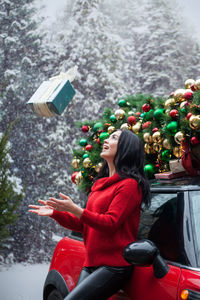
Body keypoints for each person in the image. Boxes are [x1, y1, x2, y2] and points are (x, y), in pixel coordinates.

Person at [29, 129, 150, 300]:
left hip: (114, 266)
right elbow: (84, 224)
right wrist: (56, 213)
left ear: (126, 148)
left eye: (114, 138)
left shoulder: (129, 185)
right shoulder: (100, 185)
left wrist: (75, 209)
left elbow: (110, 222)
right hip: (92, 263)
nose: (106, 140)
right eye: (108, 136)